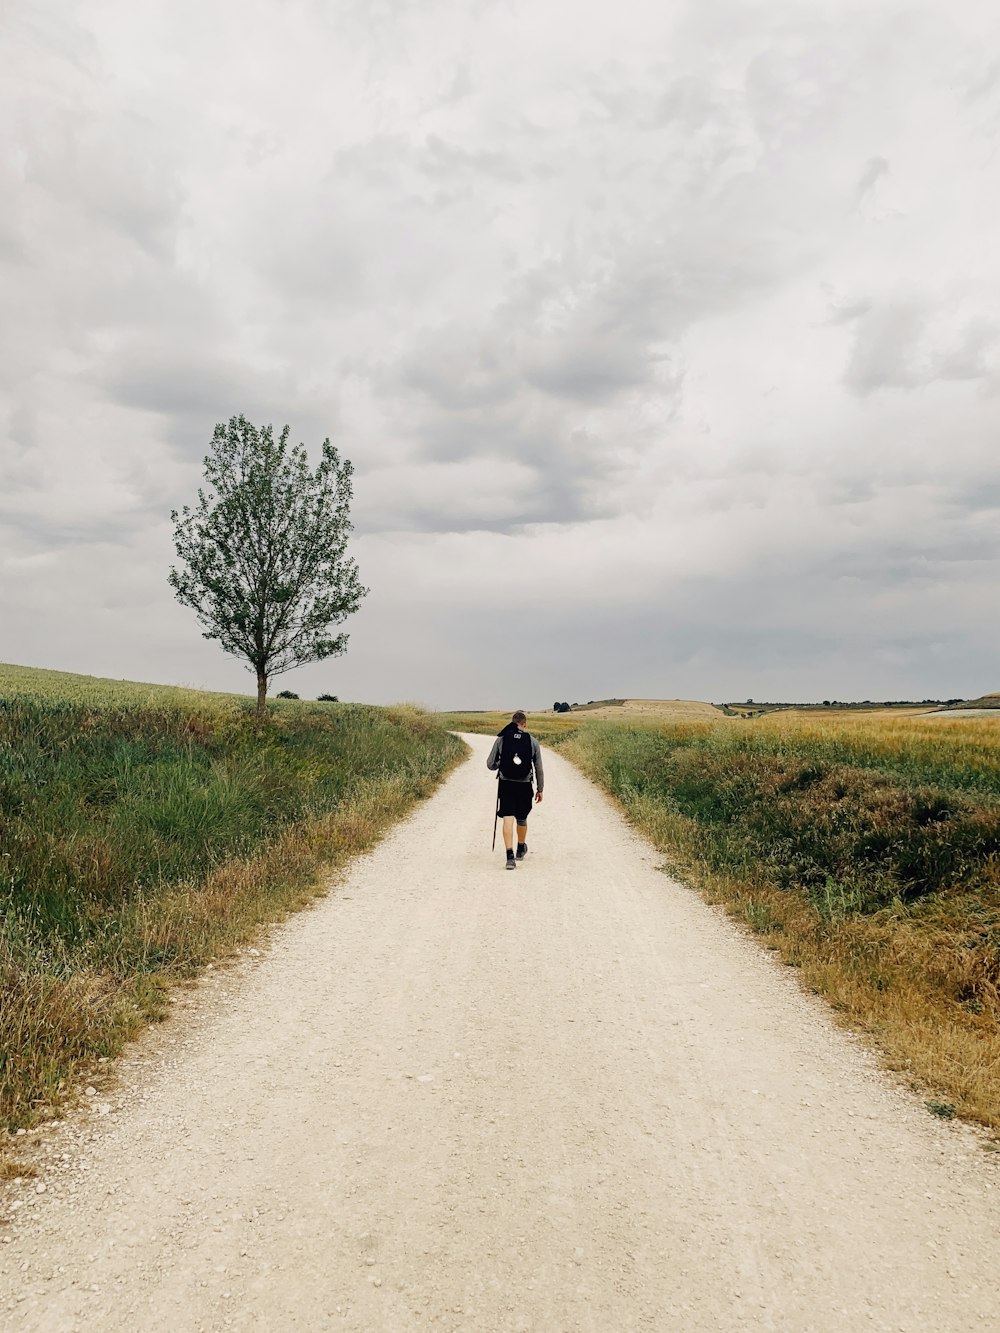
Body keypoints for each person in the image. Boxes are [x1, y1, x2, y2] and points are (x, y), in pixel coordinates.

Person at [486, 710, 544, 870]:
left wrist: (502, 764)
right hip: (524, 785)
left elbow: (490, 764)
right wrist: (540, 788)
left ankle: (509, 856)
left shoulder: (501, 740)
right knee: (522, 817)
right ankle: (520, 848)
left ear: (512, 722)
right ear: (524, 724)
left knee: (508, 818)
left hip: (506, 784)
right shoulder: (532, 741)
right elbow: (538, 768)